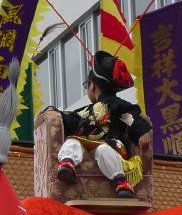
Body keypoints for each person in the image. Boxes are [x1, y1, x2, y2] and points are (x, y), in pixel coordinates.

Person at [54, 50, 148, 199]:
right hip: (86, 146)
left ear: (92, 86)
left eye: (87, 84)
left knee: (103, 150)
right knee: (72, 141)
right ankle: (67, 164)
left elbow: (133, 120)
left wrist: (141, 132)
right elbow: (70, 120)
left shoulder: (118, 106)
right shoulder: (87, 110)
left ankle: (121, 181)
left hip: (110, 145)